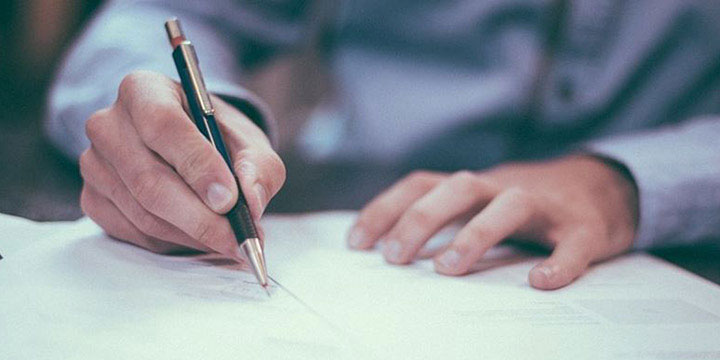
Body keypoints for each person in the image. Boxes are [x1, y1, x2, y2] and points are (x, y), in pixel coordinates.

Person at [46, 1, 720, 290]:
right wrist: (166, 128)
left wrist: (629, 181)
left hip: (678, 242)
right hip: (356, 219)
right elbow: (158, 15)